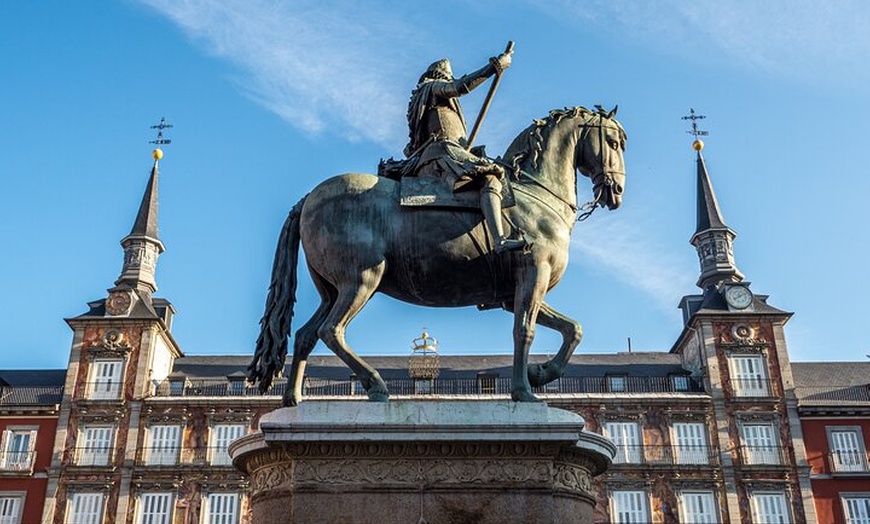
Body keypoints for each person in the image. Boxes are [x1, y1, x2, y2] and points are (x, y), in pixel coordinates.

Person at [404, 52, 527, 253]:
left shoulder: (428, 99)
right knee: (491, 177)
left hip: (445, 151)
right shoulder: (432, 88)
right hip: (442, 152)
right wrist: (495, 66)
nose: (451, 80)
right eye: (449, 76)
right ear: (441, 75)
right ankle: (499, 240)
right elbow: (459, 87)